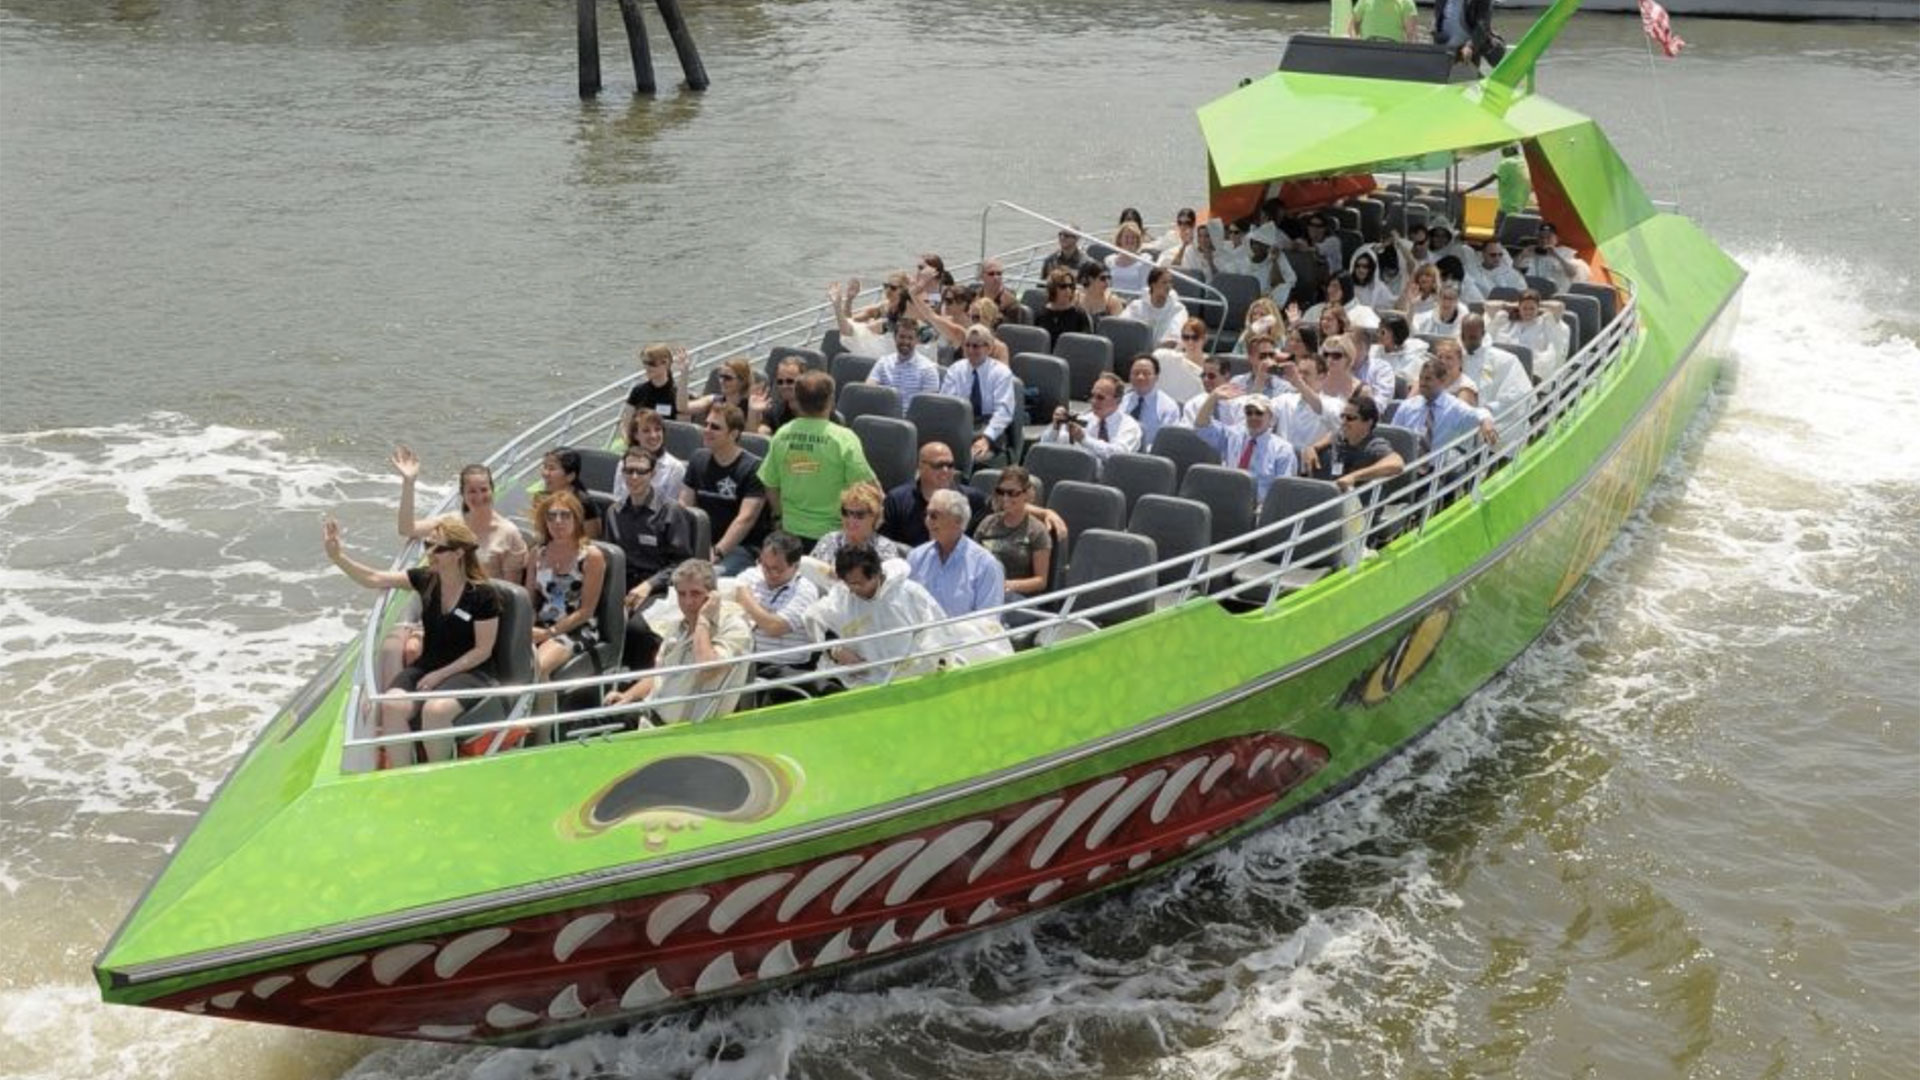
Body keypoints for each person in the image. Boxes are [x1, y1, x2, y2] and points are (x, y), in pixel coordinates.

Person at [323, 515, 499, 766]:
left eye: (438, 548)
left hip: (472, 671)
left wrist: (440, 675)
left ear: (458, 553)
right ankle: (403, 772)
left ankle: (440, 773)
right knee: (392, 705)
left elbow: (482, 650)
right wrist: (338, 557)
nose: (430, 553)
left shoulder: (483, 595)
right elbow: (375, 578)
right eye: (428, 545)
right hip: (429, 665)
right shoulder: (426, 579)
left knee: (434, 711)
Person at [805, 545, 1000, 688]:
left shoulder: (910, 593)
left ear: (876, 574)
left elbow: (940, 632)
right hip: (865, 683)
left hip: (916, 681)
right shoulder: (843, 596)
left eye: (858, 584)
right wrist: (835, 650)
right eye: (849, 584)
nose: (853, 590)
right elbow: (814, 619)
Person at [603, 559, 753, 725]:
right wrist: (628, 696)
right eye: (682, 594)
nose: (688, 602)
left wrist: (703, 620)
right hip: (649, 714)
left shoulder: (734, 628)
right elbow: (660, 675)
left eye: (695, 593)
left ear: (712, 595)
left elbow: (706, 669)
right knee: (596, 716)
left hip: (683, 730)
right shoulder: (677, 626)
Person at [759, 370, 877, 547]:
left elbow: (770, 484)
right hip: (834, 536)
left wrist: (780, 516)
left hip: (790, 533)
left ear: (797, 401)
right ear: (830, 401)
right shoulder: (844, 438)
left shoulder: (782, 434)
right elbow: (869, 488)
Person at [603, 447, 695, 669]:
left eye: (640, 472)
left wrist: (649, 585)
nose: (633, 477)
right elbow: (610, 558)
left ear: (652, 474)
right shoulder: (613, 512)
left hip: (661, 588)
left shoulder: (671, 512)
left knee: (638, 628)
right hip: (622, 585)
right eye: (629, 471)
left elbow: (682, 565)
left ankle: (636, 683)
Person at [390, 447, 527, 582]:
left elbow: (510, 590)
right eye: (472, 491)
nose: (479, 496)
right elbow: (406, 529)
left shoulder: (509, 533)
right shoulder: (451, 522)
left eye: (484, 490)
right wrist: (409, 482)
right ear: (463, 494)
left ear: (492, 490)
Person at [524, 489, 608, 681]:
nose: (558, 522)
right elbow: (529, 600)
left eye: (565, 515)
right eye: (551, 516)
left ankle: (543, 711)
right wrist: (527, 628)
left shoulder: (591, 556)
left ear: (576, 519)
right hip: (541, 623)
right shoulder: (537, 554)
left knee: (537, 666)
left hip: (577, 628)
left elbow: (586, 610)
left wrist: (549, 633)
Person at [680, 404, 767, 576]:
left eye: (715, 427)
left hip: (740, 547)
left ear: (734, 434)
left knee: (709, 577)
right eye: (706, 424)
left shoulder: (753, 468)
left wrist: (718, 552)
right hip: (702, 543)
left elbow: (746, 519)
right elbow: (684, 506)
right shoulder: (698, 459)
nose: (707, 430)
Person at [908, 489, 1006, 621]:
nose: (927, 521)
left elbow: (988, 623)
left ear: (958, 521)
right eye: (927, 514)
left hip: (964, 639)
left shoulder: (986, 566)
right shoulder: (916, 557)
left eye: (934, 516)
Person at [732, 532, 820, 669]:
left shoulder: (806, 590)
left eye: (777, 569)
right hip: (743, 661)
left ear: (795, 566)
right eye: (765, 566)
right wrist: (764, 615)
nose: (769, 573)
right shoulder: (749, 575)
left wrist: (746, 600)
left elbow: (775, 627)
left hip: (782, 667)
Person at [1191, 391, 1299, 501]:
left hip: (1260, 507)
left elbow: (1283, 491)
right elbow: (1201, 426)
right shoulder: (1232, 436)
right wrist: (1213, 398)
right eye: (1249, 413)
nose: (1253, 417)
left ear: (1271, 418)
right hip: (1227, 499)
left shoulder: (1283, 450)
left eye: (1259, 413)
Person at [940, 324, 1022, 467]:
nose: (971, 350)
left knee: (973, 459)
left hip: (990, 428)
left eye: (976, 346)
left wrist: (987, 438)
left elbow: (1003, 412)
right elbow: (947, 406)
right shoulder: (955, 370)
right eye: (967, 345)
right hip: (961, 427)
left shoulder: (1001, 373)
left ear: (989, 348)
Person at [880, 443, 989, 547]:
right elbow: (885, 543)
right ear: (920, 467)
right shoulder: (897, 500)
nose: (945, 470)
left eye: (950, 465)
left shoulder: (974, 500)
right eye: (938, 465)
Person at [972, 465, 1057, 598]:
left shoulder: (1037, 531)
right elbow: (972, 560)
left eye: (1012, 493)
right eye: (1001, 492)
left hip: (1015, 597)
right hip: (983, 589)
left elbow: (1041, 581)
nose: (1005, 498)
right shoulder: (987, 523)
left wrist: (1007, 585)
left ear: (1026, 494)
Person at [1391, 356, 1499, 460]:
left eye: (1428, 379)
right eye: (1421, 378)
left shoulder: (1453, 407)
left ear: (1442, 381)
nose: (1422, 383)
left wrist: (1487, 423)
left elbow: (1480, 413)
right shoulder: (1408, 406)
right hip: (1410, 465)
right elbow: (1394, 436)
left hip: (1438, 469)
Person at [1459, 314, 1536, 448]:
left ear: (1482, 334)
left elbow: (1516, 395)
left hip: (1497, 421)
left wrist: (1485, 411)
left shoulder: (1506, 360)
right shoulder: (1456, 357)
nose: (1468, 342)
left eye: (1473, 337)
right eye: (1464, 337)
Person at [1307, 394, 1405, 494]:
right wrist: (1313, 448)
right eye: (1342, 416)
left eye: (1350, 418)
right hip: (1334, 497)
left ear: (1368, 422)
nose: (1344, 422)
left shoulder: (1375, 445)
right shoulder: (1340, 438)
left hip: (1359, 504)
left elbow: (1397, 463)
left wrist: (1354, 476)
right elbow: (1332, 435)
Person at [810, 480, 910, 577]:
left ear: (875, 517)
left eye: (859, 515)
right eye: (846, 512)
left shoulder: (884, 548)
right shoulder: (828, 541)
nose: (851, 520)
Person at [1040, 372, 1140, 464]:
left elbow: (1117, 456)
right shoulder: (1084, 419)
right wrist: (1055, 428)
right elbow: (1045, 447)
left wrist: (1084, 440)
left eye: (1100, 398)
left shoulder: (1129, 426)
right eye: (1093, 396)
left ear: (1117, 400)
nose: (1093, 401)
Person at [1488, 289, 1569, 382]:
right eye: (1525, 308)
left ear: (1538, 308)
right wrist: (1517, 304)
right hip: (1506, 367)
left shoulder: (1545, 322)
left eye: (1532, 308)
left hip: (1534, 369)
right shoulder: (1509, 321)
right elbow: (1488, 305)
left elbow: (1559, 306)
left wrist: (1535, 303)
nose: (1528, 312)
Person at [866, 316, 943, 415]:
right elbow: (868, 390)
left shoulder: (928, 369)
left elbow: (927, 407)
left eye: (910, 338)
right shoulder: (883, 362)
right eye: (902, 337)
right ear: (895, 337)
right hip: (883, 416)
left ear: (917, 340)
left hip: (911, 421)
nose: (905, 342)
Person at [1118, 354, 1185, 448]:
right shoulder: (1119, 401)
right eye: (1136, 373)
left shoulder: (1168, 407)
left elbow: (1166, 442)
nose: (1140, 377)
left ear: (1156, 377)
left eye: (1146, 373)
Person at [536, 447, 604, 539]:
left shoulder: (584, 503)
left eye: (552, 469)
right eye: (545, 467)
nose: (545, 473)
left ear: (570, 476)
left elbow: (592, 539)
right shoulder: (540, 498)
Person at [618, 342, 685, 434]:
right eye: (645, 363)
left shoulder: (676, 395)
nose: (647, 367)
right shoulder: (638, 391)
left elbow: (681, 429)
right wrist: (629, 442)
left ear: (665, 363)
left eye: (651, 363)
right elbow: (626, 424)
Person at [1120, 266, 1192, 348]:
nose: (1168, 286)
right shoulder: (1135, 306)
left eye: (1170, 282)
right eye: (1164, 282)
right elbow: (1122, 328)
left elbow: (1173, 339)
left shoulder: (1178, 309)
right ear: (1153, 284)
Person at [681, 355, 759, 429]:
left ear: (742, 381)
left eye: (727, 378)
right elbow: (683, 408)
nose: (722, 381)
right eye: (720, 376)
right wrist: (684, 375)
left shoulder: (751, 406)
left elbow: (751, 436)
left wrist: (752, 411)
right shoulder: (714, 399)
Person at [1515, 222, 1590, 294]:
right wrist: (1523, 254)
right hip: (1534, 291)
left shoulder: (1565, 252)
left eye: (1548, 237)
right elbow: (1515, 269)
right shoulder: (1531, 252)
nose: (1544, 240)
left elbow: (1572, 273)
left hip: (1557, 292)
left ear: (1556, 239)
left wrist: (1556, 256)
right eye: (1541, 237)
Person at [1034, 267, 1094, 347]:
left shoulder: (1079, 315)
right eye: (1063, 286)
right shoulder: (1041, 314)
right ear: (1052, 288)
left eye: (1071, 286)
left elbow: (1086, 343)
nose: (1068, 290)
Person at [752, 355, 807, 435]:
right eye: (780, 382)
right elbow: (759, 435)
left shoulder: (818, 411)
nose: (784, 386)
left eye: (790, 381)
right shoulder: (775, 411)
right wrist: (753, 413)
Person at [1376, 311, 1432, 387]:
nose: (1378, 335)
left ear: (1396, 334)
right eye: (1377, 331)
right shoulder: (1373, 351)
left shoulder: (1412, 357)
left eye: (1383, 332)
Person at [1106, 221, 1152, 295]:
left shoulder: (1144, 261)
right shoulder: (1110, 260)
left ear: (1137, 240)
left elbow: (1145, 288)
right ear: (1120, 239)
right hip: (1114, 300)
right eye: (1127, 237)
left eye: (1133, 237)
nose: (1130, 240)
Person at [1350, 0, 1417, 40]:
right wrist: (1355, 43)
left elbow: (1411, 35)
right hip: (1367, 48)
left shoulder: (1406, 2)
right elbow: (1352, 26)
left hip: (1393, 51)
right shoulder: (1364, 1)